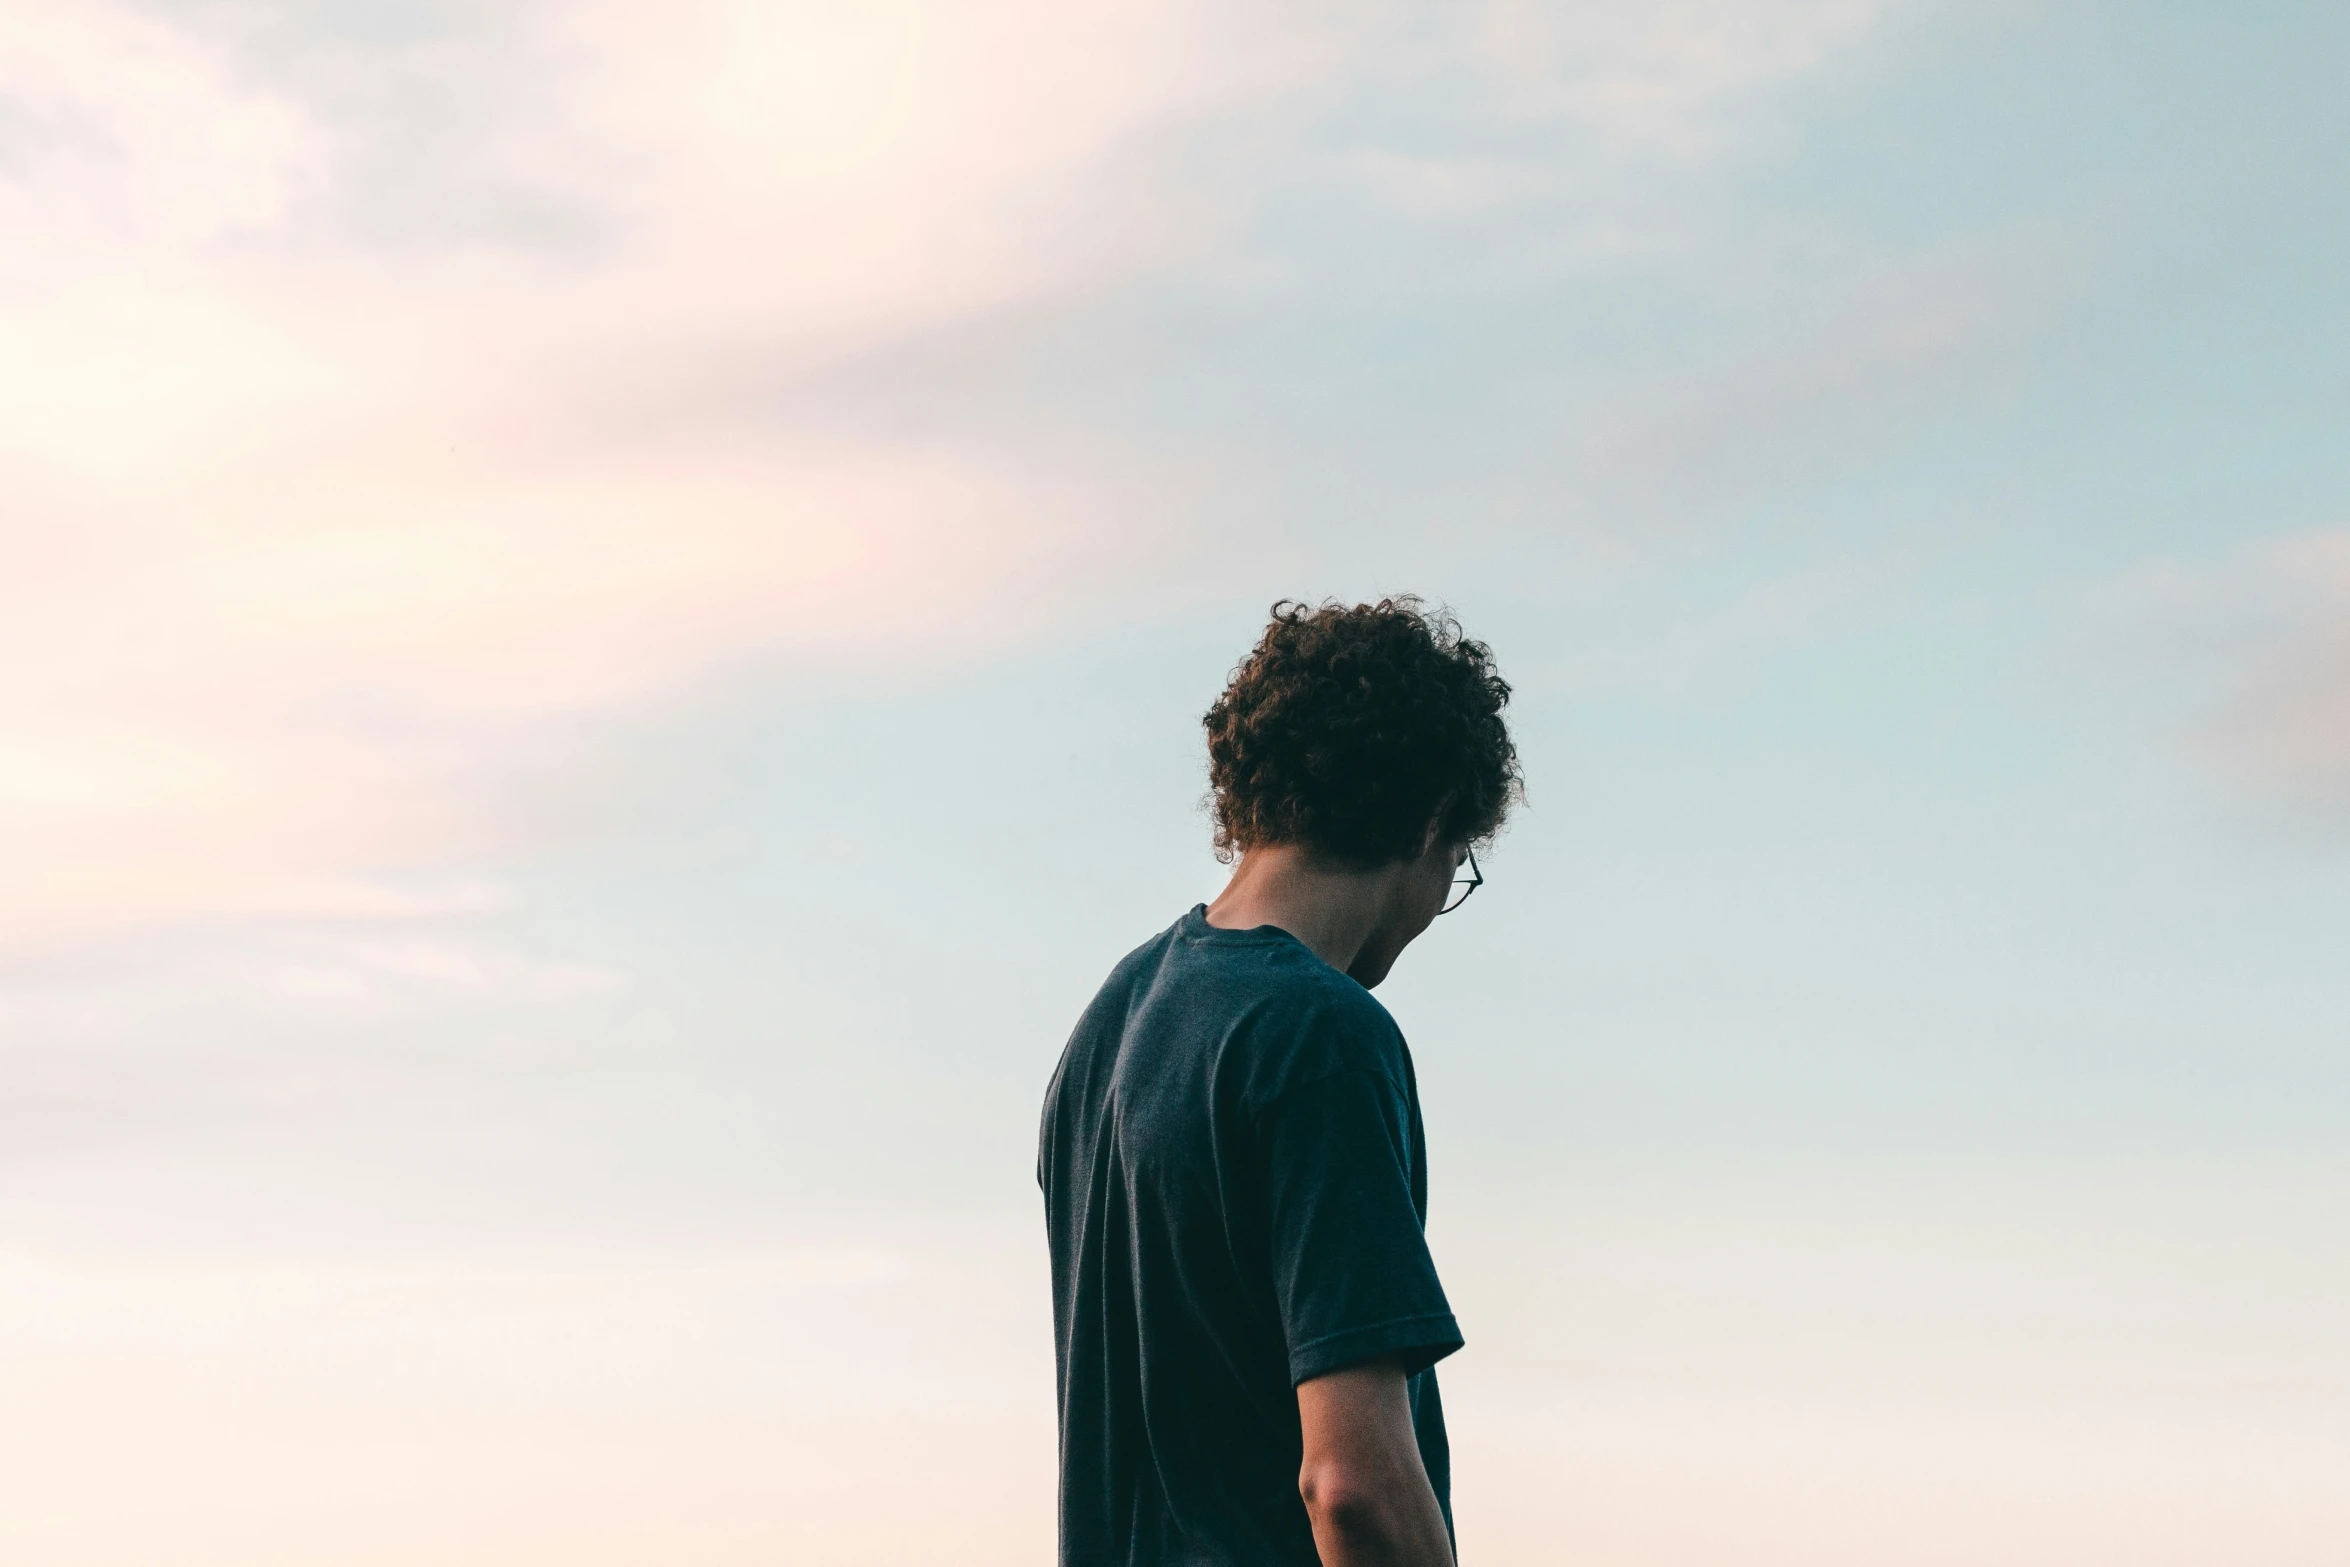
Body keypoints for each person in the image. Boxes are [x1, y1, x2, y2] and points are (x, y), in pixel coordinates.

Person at [1039, 598, 1521, 1567]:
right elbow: (1351, 1487)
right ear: (1431, 818)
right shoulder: (1319, 1036)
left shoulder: (1106, 1030)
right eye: (1456, 865)